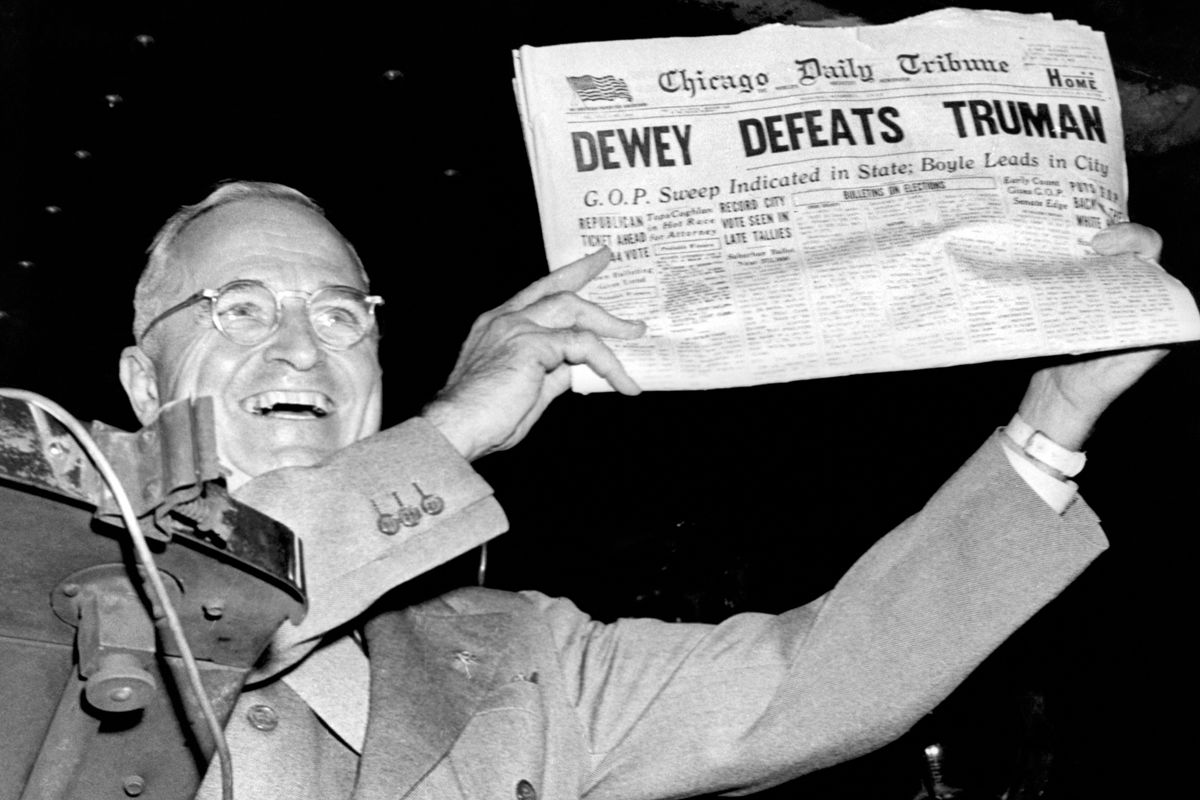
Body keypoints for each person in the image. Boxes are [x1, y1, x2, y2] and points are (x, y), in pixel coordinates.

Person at [118, 180, 1167, 800]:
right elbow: (207, 608)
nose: (302, 345)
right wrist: (448, 435)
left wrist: (1055, 418)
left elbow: (812, 680)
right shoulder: (35, 546)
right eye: (238, 308)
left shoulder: (503, 654)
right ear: (139, 380)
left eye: (343, 315)